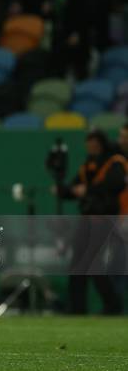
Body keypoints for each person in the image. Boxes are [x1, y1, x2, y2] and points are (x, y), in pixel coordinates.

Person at [57, 130, 125, 314]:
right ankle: (78, 307)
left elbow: (115, 184)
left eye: (94, 142)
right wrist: (63, 190)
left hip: (104, 218)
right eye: (89, 142)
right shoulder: (88, 165)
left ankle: (112, 305)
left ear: (101, 143)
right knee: (79, 264)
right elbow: (75, 188)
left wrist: (88, 190)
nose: (91, 146)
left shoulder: (114, 162)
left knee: (91, 263)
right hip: (87, 218)